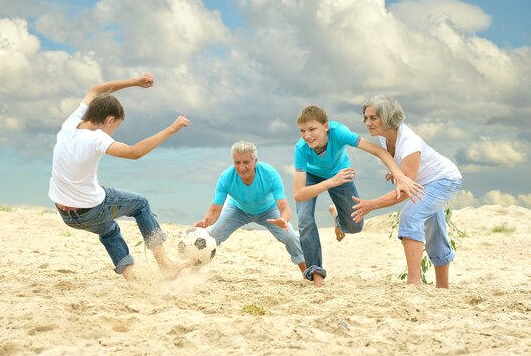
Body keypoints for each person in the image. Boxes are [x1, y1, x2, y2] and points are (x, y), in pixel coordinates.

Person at [48, 73, 193, 282]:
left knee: (109, 229)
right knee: (140, 204)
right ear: (109, 120)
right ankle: (166, 265)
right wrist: (171, 129)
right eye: (114, 127)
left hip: (65, 213)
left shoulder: (69, 124)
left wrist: (134, 82)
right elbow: (134, 153)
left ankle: (131, 279)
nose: (113, 132)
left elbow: (97, 90)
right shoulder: (96, 138)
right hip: (90, 210)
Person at [293, 105, 423, 287]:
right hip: (313, 176)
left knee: (355, 226)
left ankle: (338, 218)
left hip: (340, 172)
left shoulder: (340, 133)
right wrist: (331, 182)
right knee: (305, 219)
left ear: (326, 126)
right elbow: (299, 194)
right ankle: (316, 275)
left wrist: (401, 178)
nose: (307, 136)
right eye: (303, 131)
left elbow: (379, 151)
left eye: (312, 129)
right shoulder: (301, 149)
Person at [351, 95, 462, 288]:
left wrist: (371, 205)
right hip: (425, 183)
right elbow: (407, 175)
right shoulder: (385, 138)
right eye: (366, 118)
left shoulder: (409, 141)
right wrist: (399, 172)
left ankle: (413, 284)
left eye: (373, 118)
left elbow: (404, 192)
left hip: (445, 180)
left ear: (387, 117)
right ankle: (443, 288)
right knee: (434, 229)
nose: (367, 122)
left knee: (410, 217)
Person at [194, 141, 307, 274]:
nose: (241, 167)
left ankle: (307, 272)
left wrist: (283, 219)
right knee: (211, 237)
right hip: (237, 209)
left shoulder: (270, 174)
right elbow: (214, 211)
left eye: (246, 162)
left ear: (255, 161)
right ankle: (193, 270)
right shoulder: (226, 178)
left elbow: (285, 209)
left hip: (268, 211)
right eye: (237, 162)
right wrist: (205, 222)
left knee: (291, 237)